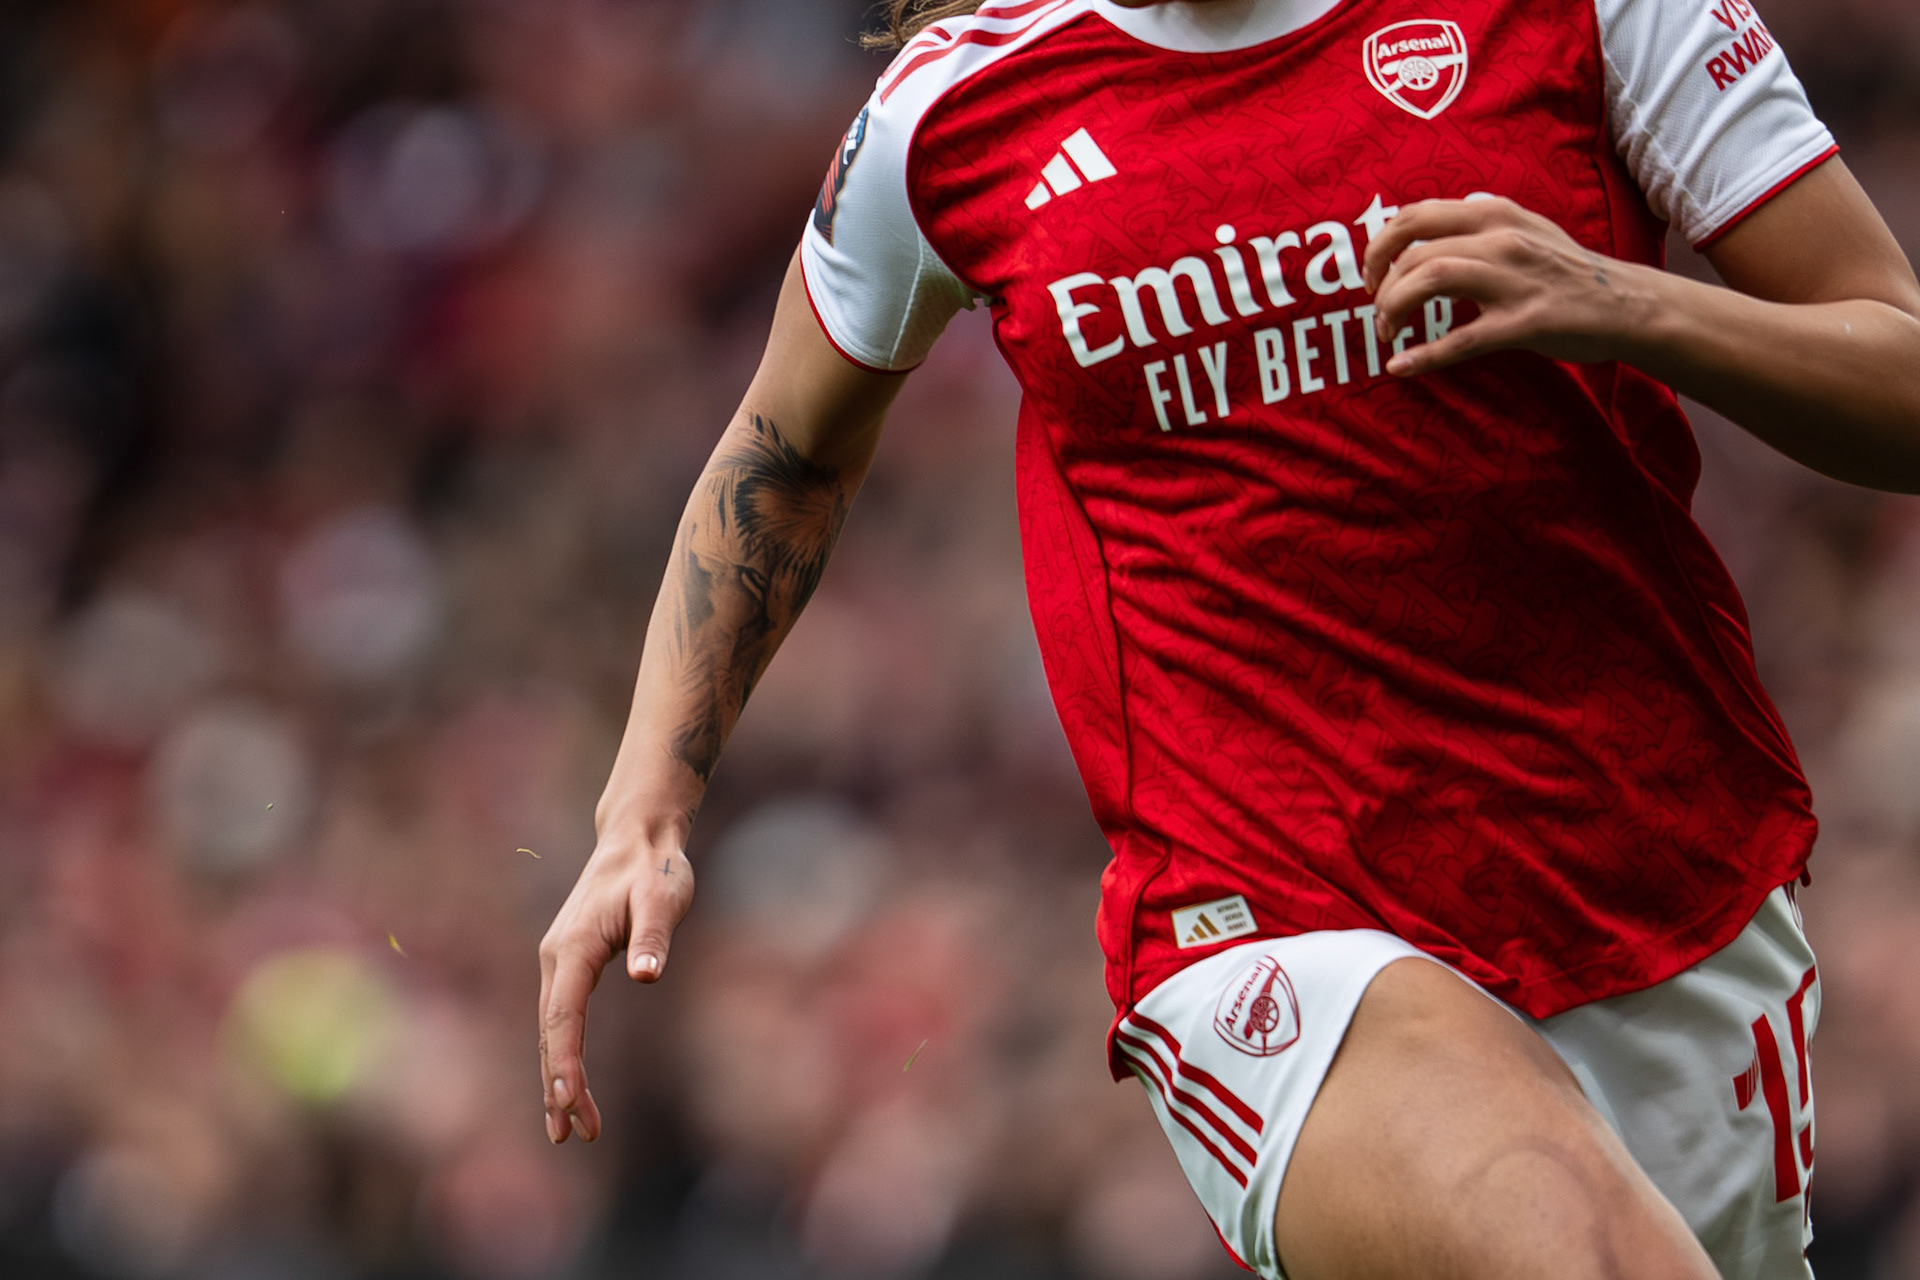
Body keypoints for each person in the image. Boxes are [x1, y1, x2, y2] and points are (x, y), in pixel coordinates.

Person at [536, 0, 1920, 1275]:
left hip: (1654, 888)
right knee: (1574, 1251)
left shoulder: (1591, 12)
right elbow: (787, 453)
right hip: (1262, 923)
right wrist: (642, 805)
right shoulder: (956, 109)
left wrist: (1634, 304)